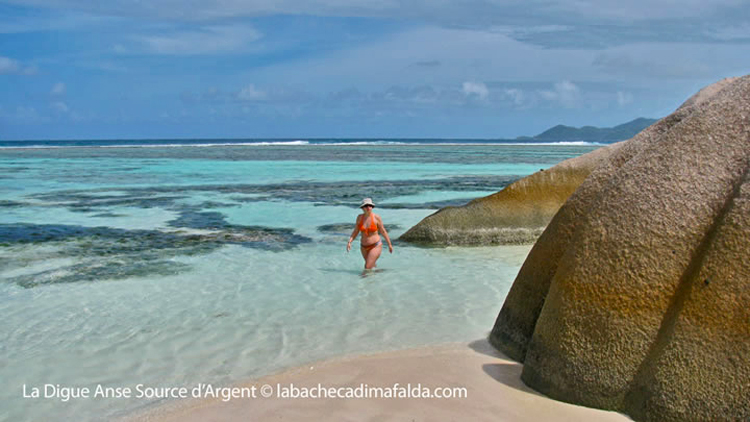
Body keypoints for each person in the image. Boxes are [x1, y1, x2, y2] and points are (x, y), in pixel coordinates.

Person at [347, 198, 393, 271]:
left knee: (367, 267)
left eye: (370, 206)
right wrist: (350, 242)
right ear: (362, 208)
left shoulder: (376, 217)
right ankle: (378, 278)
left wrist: (389, 244)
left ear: (372, 207)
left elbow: (383, 231)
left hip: (375, 245)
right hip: (363, 247)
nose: (368, 207)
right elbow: (356, 231)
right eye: (366, 206)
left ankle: (364, 281)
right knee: (372, 266)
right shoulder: (359, 218)